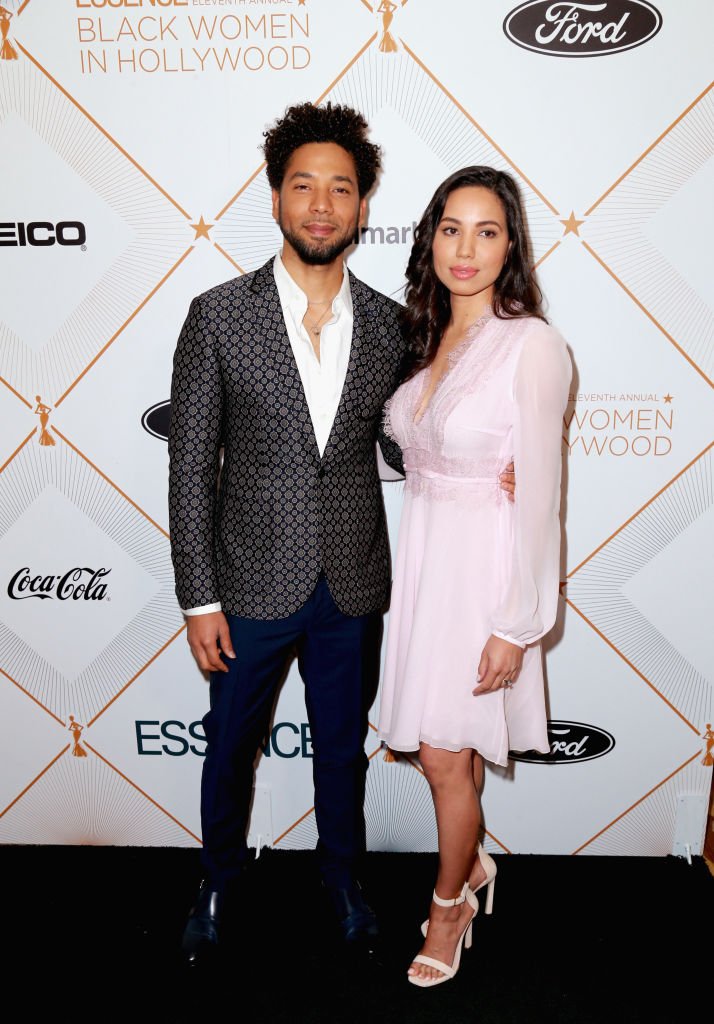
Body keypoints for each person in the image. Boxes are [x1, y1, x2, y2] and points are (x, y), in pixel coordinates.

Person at [168, 105, 515, 968]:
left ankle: (343, 881)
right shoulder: (216, 316)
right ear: (277, 197)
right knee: (228, 747)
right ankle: (215, 880)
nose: (322, 204)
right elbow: (187, 468)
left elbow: (411, 440)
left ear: (362, 207)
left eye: (342, 188)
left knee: (340, 748)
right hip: (245, 582)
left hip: (354, 580)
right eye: (304, 185)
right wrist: (197, 595)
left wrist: (495, 470)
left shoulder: (396, 323)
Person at [377, 166, 571, 987]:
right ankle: (475, 866)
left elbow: (541, 505)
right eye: (451, 228)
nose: (466, 248)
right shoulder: (421, 335)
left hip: (481, 581)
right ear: (431, 238)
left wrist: (515, 623)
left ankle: (450, 904)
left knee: (449, 757)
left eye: (487, 231)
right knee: (431, 752)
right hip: (424, 569)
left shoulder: (534, 345)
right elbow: (411, 453)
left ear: (512, 245)